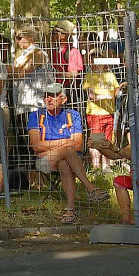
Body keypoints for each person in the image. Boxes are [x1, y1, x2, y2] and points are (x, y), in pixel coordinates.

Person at [28, 82, 92, 224]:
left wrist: (53, 147)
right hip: (44, 163)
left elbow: (77, 144)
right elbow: (36, 146)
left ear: (64, 99)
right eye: (46, 96)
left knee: (64, 163)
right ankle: (90, 187)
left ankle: (70, 209)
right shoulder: (35, 116)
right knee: (67, 150)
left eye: (53, 96)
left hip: (69, 161)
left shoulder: (73, 115)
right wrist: (64, 144)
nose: (48, 99)